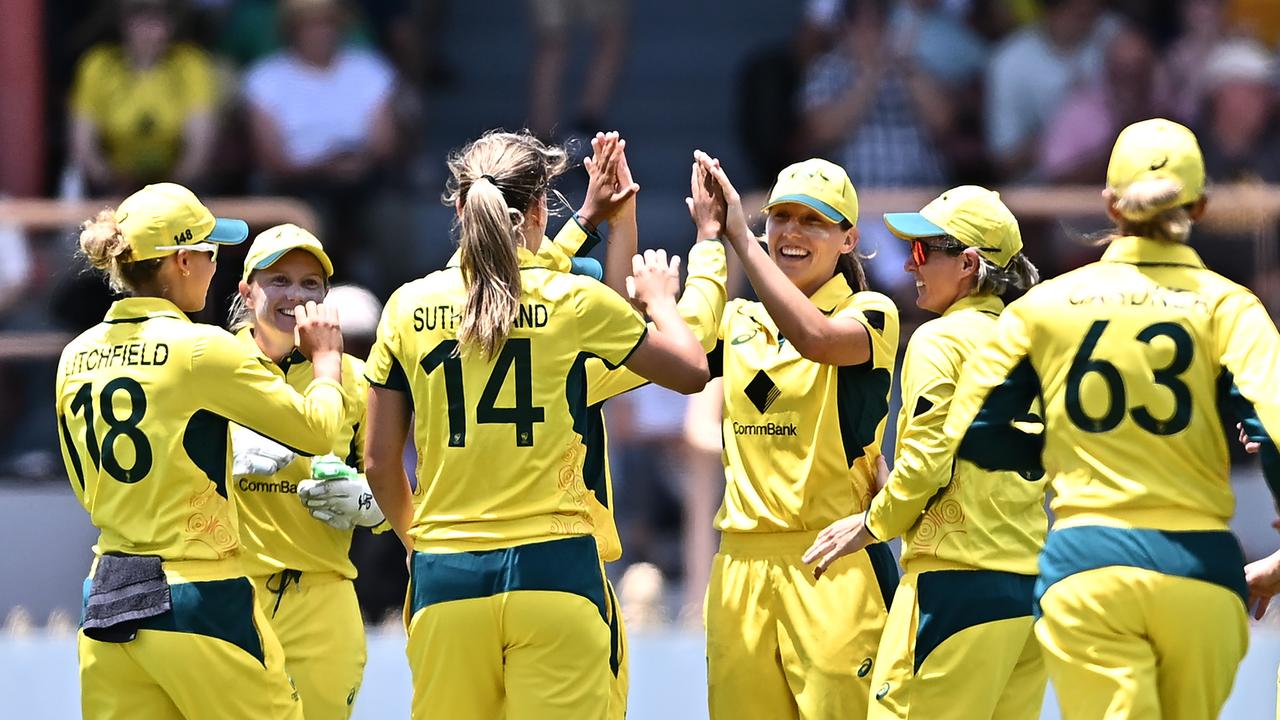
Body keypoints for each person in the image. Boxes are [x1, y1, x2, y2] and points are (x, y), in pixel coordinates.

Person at [362, 130, 710, 719]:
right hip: (555, 569)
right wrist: (659, 297)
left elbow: (377, 461)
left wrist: (418, 542)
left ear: (459, 207)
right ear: (538, 210)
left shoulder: (406, 306)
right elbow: (692, 369)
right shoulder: (573, 300)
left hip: (446, 573)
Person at [941, 118, 1280, 719]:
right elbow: (1273, 432)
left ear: (1108, 203)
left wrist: (1054, 454)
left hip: (1087, 565)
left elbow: (971, 429)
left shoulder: (1043, 307)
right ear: (1200, 206)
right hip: (1200, 571)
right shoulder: (1233, 307)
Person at [56, 182, 347, 719]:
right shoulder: (200, 347)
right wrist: (326, 362)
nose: (216, 267)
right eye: (211, 253)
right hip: (199, 599)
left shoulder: (74, 354)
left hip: (107, 598)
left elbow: (82, 481)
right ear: (184, 260)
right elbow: (319, 429)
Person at [802, 186, 1047, 719]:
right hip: (1028, 591)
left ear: (967, 263)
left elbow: (927, 459)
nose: (909, 266)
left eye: (920, 252)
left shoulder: (941, 340)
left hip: (954, 586)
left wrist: (872, 523)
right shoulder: (1029, 341)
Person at [698, 154, 901, 719]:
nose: (791, 232)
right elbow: (676, 353)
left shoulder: (871, 312)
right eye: (780, 217)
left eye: (813, 220)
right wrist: (701, 239)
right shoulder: (738, 320)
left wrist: (740, 240)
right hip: (739, 564)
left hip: (833, 560)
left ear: (848, 238)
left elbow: (815, 338)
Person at [225, 223, 383, 719]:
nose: (295, 294)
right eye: (279, 279)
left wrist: (366, 501)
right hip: (230, 592)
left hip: (322, 595)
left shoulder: (355, 379)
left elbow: (400, 493)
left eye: (311, 284)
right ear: (246, 290)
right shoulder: (212, 366)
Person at [68, 0, 219, 194]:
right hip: (113, 187)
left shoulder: (192, 65)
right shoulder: (97, 65)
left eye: (159, 18)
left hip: (177, 188)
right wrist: (109, 181)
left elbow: (199, 147)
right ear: (122, 22)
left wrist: (170, 190)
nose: (150, 29)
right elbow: (83, 144)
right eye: (140, 17)